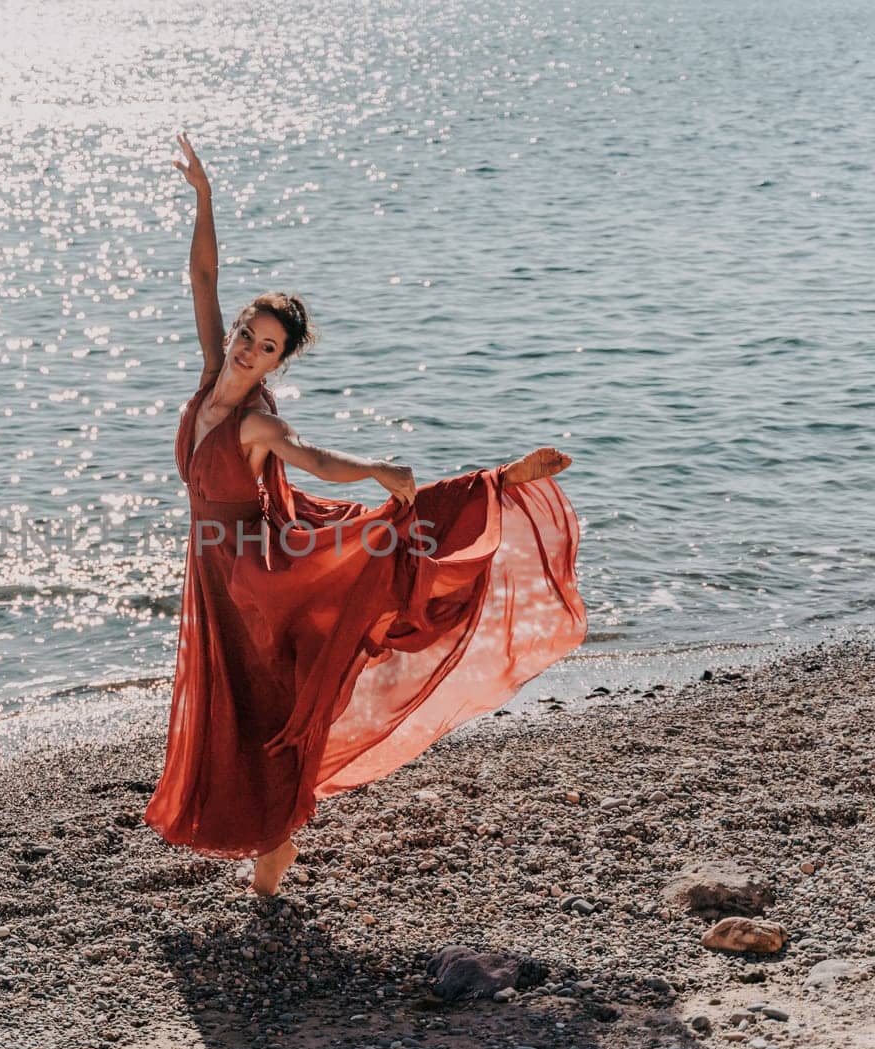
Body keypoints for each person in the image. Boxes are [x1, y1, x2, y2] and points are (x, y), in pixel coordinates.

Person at [143, 133, 587, 896]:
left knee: (281, 684)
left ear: (282, 362)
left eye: (267, 347)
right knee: (252, 699)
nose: (249, 349)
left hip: (255, 572)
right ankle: (272, 847)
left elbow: (315, 460)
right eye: (248, 334)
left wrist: (379, 468)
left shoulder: (256, 422)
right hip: (216, 569)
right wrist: (205, 197)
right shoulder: (212, 371)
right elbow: (203, 273)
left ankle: (497, 485)